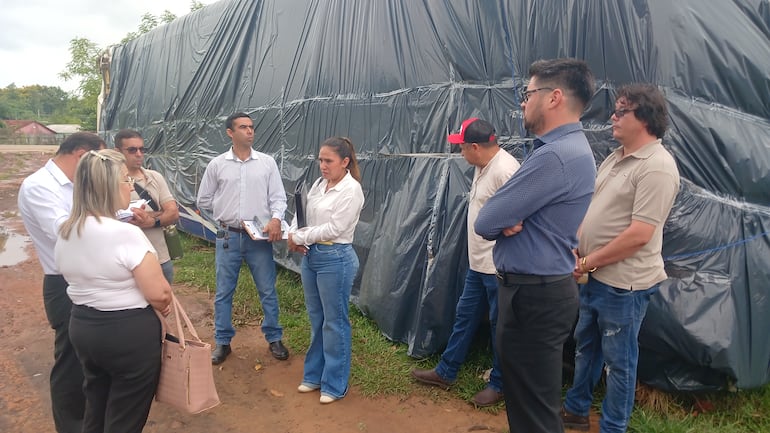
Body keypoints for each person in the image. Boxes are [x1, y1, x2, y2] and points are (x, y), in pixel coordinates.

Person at [475, 58, 597, 433]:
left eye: (528, 94)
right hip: (540, 292)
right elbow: (497, 216)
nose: (523, 103)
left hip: (535, 297)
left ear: (554, 97)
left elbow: (486, 219)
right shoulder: (567, 149)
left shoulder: (555, 156)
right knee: (530, 403)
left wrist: (506, 215)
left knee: (534, 413)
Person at [561, 83, 680, 433]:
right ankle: (576, 411)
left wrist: (588, 261)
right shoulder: (617, 156)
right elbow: (594, 207)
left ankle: (613, 427)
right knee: (587, 349)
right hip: (596, 276)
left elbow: (639, 235)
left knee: (619, 362)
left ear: (643, 117)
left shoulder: (657, 167)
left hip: (624, 285)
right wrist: (575, 245)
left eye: (621, 111)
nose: (612, 117)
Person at [411, 118, 519, 407]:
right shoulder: (482, 166)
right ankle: (446, 371)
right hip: (478, 264)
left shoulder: (505, 171)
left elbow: (518, 220)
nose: (460, 154)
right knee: (464, 315)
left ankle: (499, 384)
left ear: (474, 147)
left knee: (500, 327)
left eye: (461, 148)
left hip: (498, 267)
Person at [17, 132, 105, 433]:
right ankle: (72, 426)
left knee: (93, 359)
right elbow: (64, 231)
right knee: (71, 363)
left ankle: (93, 422)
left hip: (93, 279)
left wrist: (124, 213)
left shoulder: (78, 185)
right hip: (65, 284)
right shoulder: (39, 186)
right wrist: (114, 224)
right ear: (82, 155)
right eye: (99, 162)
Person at [197, 112, 289, 364]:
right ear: (230, 132)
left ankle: (274, 337)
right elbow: (203, 200)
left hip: (258, 238)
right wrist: (224, 213)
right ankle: (223, 342)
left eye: (251, 127)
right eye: (243, 127)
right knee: (224, 291)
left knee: (267, 289)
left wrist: (275, 219)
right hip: (228, 235)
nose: (249, 131)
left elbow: (278, 198)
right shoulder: (217, 165)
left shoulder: (267, 163)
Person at [287, 136, 365, 404]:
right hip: (312, 257)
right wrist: (293, 232)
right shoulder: (320, 184)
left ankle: (334, 384)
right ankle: (313, 376)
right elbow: (302, 213)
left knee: (335, 321)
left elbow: (335, 229)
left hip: (336, 258)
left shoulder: (351, 190)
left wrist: (300, 237)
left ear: (345, 162)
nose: (322, 165)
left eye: (328, 161)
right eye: (320, 160)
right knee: (317, 319)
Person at [114, 129, 180, 284]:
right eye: (132, 150)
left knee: (164, 304)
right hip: (127, 260)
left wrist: (150, 221)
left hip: (161, 257)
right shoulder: (111, 181)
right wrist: (160, 214)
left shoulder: (155, 177)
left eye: (141, 149)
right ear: (117, 152)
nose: (138, 154)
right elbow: (113, 218)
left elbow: (173, 213)